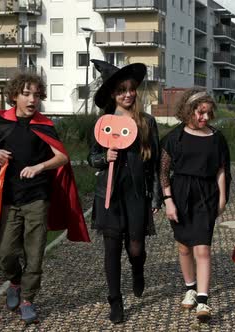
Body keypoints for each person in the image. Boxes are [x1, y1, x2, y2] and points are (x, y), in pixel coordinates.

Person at [0, 73, 90, 324]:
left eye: (36, 94)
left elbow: (62, 157)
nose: (32, 99)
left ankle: (28, 300)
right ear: (14, 96)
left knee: (35, 253)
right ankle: (14, 281)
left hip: (37, 198)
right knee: (5, 253)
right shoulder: (0, 121)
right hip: (9, 198)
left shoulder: (44, 124)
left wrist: (40, 167)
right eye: (26, 93)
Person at [88, 60, 161, 324]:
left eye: (131, 89)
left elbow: (154, 163)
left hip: (136, 194)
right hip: (108, 194)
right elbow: (91, 157)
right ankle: (115, 301)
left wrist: (156, 196)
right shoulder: (103, 123)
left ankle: (138, 270)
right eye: (121, 91)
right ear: (113, 95)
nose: (128, 94)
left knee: (135, 248)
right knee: (111, 250)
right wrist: (103, 157)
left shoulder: (147, 122)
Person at [159, 87, 231, 322]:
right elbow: (163, 172)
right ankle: (190, 287)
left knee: (203, 248)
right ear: (188, 111)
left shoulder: (217, 138)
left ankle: (203, 301)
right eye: (201, 113)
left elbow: (221, 169)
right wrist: (168, 201)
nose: (205, 118)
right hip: (179, 195)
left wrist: (222, 197)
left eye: (209, 113)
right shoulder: (174, 137)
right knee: (183, 247)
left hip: (206, 196)